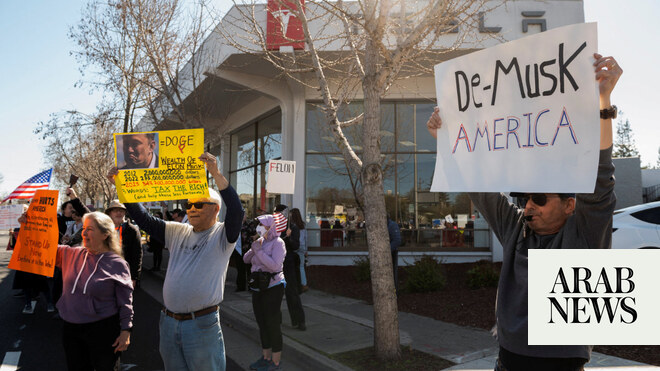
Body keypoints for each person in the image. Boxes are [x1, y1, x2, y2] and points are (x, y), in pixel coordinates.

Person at [426, 53, 621, 371]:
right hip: (507, 361)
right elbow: (479, 184)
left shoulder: (584, 233)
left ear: (570, 205)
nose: (528, 205)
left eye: (540, 199)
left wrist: (603, 98)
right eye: (525, 198)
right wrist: (446, 137)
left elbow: (601, 175)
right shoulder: (517, 226)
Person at [107, 152, 243, 371]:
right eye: (188, 205)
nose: (191, 210)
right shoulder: (178, 230)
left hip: (201, 325)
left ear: (216, 209)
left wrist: (215, 173)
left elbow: (237, 210)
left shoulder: (222, 235)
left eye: (199, 205)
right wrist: (121, 186)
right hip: (168, 322)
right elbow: (144, 220)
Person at [19, 210, 134, 370]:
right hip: (71, 328)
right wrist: (29, 227)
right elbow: (40, 248)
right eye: (84, 228)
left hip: (103, 330)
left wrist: (125, 330)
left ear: (105, 234)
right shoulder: (70, 253)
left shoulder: (117, 264)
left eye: (90, 229)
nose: (84, 233)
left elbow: (125, 302)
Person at [243, 215, 286, 371]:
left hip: (273, 287)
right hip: (258, 287)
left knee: (272, 323)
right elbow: (246, 260)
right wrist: (254, 247)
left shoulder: (278, 243)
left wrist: (259, 252)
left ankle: (275, 361)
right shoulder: (261, 242)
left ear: (271, 226)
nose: (258, 227)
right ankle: (265, 357)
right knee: (262, 322)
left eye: (262, 224)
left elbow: (275, 266)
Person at [106, 200, 143, 288]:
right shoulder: (104, 229)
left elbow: (137, 255)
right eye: (115, 210)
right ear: (109, 213)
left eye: (121, 210)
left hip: (125, 274)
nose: (119, 213)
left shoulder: (132, 230)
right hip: (107, 272)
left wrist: (134, 277)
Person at [282, 207, 306, 331]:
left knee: (292, 293)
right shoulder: (274, 227)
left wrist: (289, 237)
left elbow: (295, 245)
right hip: (275, 263)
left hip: (288, 263)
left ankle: (299, 320)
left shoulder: (293, 228)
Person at [289, 208, 309, 292]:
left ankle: (294, 284)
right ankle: (304, 284)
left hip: (293, 246)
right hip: (301, 247)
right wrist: (306, 250)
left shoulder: (291, 225)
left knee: (291, 267)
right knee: (301, 267)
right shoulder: (302, 225)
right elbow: (305, 238)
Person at [387, 215, 402, 294]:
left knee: (392, 272)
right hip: (386, 252)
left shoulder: (392, 225)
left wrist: (386, 251)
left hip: (391, 253)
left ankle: (394, 291)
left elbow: (397, 240)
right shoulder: (387, 225)